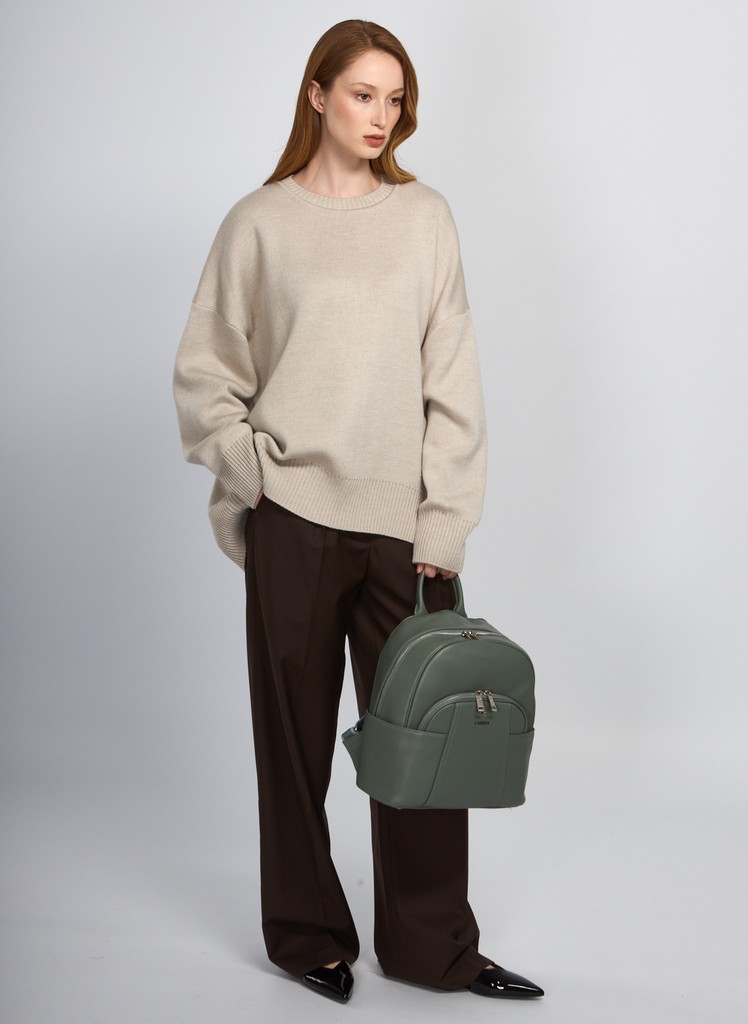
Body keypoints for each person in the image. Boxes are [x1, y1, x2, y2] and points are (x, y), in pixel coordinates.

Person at [173, 18, 544, 1005]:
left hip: (403, 528)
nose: (381, 115)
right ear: (318, 95)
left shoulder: (425, 218)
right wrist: (253, 473)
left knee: (424, 741)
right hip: (292, 515)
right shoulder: (259, 223)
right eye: (362, 94)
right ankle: (307, 936)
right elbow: (206, 374)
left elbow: (453, 382)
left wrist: (444, 522)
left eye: (395, 98)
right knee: (292, 743)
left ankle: (433, 947)